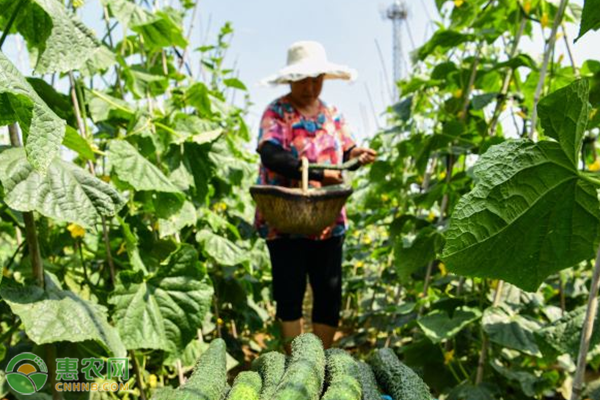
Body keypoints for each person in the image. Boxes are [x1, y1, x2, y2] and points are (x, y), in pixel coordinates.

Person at [255, 41, 377, 350]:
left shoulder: (333, 114)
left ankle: (319, 361)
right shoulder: (278, 112)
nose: (311, 87)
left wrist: (356, 152)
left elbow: (347, 148)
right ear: (290, 80)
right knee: (289, 290)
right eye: (303, 80)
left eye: (316, 79)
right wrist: (320, 173)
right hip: (286, 218)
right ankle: (296, 364)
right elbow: (271, 155)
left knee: (328, 290)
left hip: (327, 219)